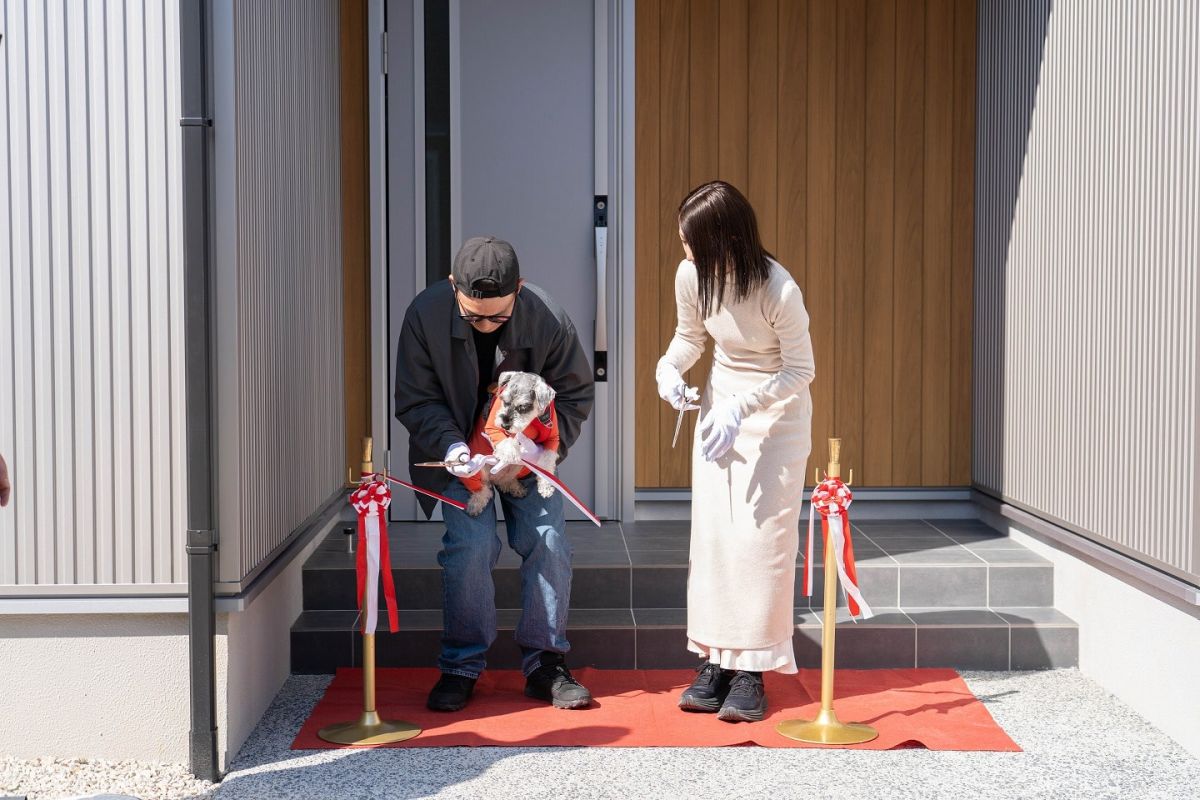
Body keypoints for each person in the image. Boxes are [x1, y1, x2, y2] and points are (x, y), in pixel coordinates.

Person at [395, 236, 595, 712]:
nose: (485, 325)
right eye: (472, 316)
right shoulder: (424, 314)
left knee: (547, 538)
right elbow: (417, 399)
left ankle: (546, 663)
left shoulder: (547, 316)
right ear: (452, 287)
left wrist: (529, 445)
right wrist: (452, 447)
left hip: (525, 458)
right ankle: (461, 665)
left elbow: (574, 395)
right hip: (460, 455)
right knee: (471, 545)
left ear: (519, 290)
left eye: (498, 317)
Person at [655, 181, 815, 722]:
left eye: (692, 243)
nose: (685, 253)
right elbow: (690, 337)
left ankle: (752, 671)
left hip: (774, 417)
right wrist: (668, 369)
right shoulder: (690, 275)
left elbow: (800, 370)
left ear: (725, 239)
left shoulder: (778, 288)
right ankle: (715, 662)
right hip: (721, 410)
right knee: (718, 540)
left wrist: (743, 406)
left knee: (761, 543)